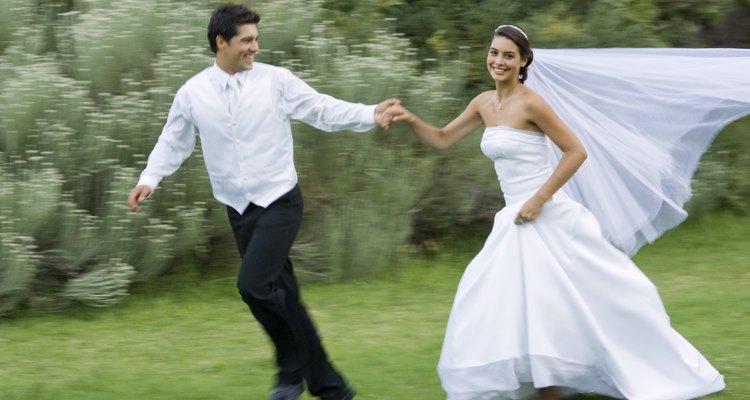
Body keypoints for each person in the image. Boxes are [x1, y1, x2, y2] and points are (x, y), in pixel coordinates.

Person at [387, 24, 731, 399]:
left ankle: (616, 373)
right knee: (510, 299)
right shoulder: (484, 103)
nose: (498, 61)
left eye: (508, 55)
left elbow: (576, 151)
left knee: (589, 298)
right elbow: (441, 139)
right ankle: (545, 384)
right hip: (513, 220)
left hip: (546, 214)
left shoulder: (531, 102)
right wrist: (409, 118)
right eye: (494, 52)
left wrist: (539, 199)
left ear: (523, 62)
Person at [127, 4, 398, 400]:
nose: (255, 47)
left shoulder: (276, 81)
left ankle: (290, 370)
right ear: (221, 42)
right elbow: (174, 140)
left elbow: (320, 108)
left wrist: (369, 113)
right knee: (283, 294)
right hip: (237, 209)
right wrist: (149, 179)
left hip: (280, 201)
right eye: (247, 40)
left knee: (253, 285)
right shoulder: (193, 92)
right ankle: (330, 387)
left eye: (256, 39)